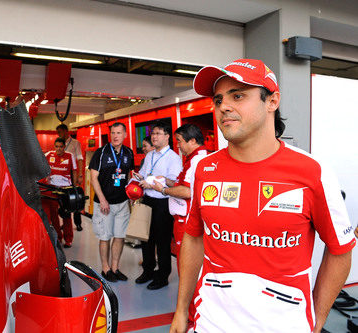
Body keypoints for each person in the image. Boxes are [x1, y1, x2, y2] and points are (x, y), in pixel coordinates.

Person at [170, 59, 355, 333]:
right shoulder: (205, 169)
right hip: (210, 322)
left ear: (272, 101)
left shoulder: (313, 172)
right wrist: (181, 310)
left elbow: (340, 249)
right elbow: (194, 237)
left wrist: (316, 320)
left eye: (238, 95)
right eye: (218, 99)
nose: (224, 107)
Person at [134, 121, 182, 290]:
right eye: (153, 133)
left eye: (158, 133)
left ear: (167, 136)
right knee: (146, 239)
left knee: (162, 241)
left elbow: (173, 181)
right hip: (147, 200)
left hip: (163, 202)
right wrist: (137, 177)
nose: (154, 136)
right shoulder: (149, 155)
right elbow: (144, 173)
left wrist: (153, 181)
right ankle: (147, 271)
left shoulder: (173, 158)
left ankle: (163, 276)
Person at [150, 124, 207, 262]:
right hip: (184, 219)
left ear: (192, 141)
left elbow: (187, 191)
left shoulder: (196, 160)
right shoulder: (194, 158)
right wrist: (166, 180)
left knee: (186, 260)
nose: (178, 146)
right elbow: (182, 183)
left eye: (180, 141)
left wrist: (162, 190)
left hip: (187, 220)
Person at [89, 122, 134, 282]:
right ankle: (105, 268)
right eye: (113, 133)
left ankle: (115, 268)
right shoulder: (101, 153)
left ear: (125, 135)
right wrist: (102, 200)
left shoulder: (129, 152)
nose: (115, 136)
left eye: (119, 133)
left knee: (120, 236)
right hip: (104, 204)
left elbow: (129, 176)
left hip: (122, 203)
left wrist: (131, 196)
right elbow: (93, 178)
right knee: (105, 237)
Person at [42, 137, 77, 248]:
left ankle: (68, 239)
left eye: (61, 147)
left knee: (66, 215)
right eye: (56, 147)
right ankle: (58, 237)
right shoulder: (49, 155)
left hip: (65, 190)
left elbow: (74, 172)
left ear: (64, 147)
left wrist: (74, 188)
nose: (59, 149)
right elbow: (40, 164)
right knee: (53, 216)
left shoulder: (70, 156)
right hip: (51, 189)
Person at [57, 124, 84, 231]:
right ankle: (66, 223)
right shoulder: (59, 143)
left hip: (73, 174)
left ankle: (78, 223)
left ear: (65, 131)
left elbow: (80, 159)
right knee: (64, 200)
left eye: (60, 132)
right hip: (63, 176)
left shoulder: (75, 143)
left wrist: (80, 175)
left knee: (76, 198)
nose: (59, 134)